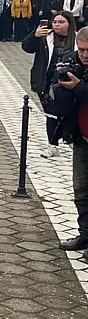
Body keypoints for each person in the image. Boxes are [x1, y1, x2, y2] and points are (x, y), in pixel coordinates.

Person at [22, 12, 78, 159]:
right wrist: (34, 35)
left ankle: (68, 137)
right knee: (51, 115)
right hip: (46, 81)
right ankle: (53, 145)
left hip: (70, 81)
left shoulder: (77, 39)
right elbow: (26, 47)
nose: (57, 25)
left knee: (69, 114)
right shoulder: (45, 36)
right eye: (55, 22)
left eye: (61, 22)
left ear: (69, 24)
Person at [53, 27, 88, 253]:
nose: (84, 55)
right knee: (81, 189)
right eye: (81, 50)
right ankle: (85, 234)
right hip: (82, 137)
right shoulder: (75, 65)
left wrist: (78, 86)